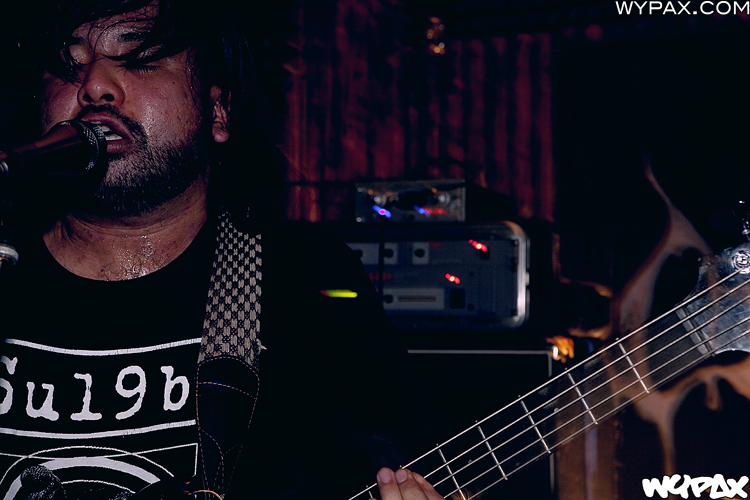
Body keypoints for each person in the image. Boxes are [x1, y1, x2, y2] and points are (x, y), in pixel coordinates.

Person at [0, 1, 445, 499]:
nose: (95, 86)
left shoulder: (303, 277)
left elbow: (415, 464)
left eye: (140, 60)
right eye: (69, 65)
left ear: (217, 111)